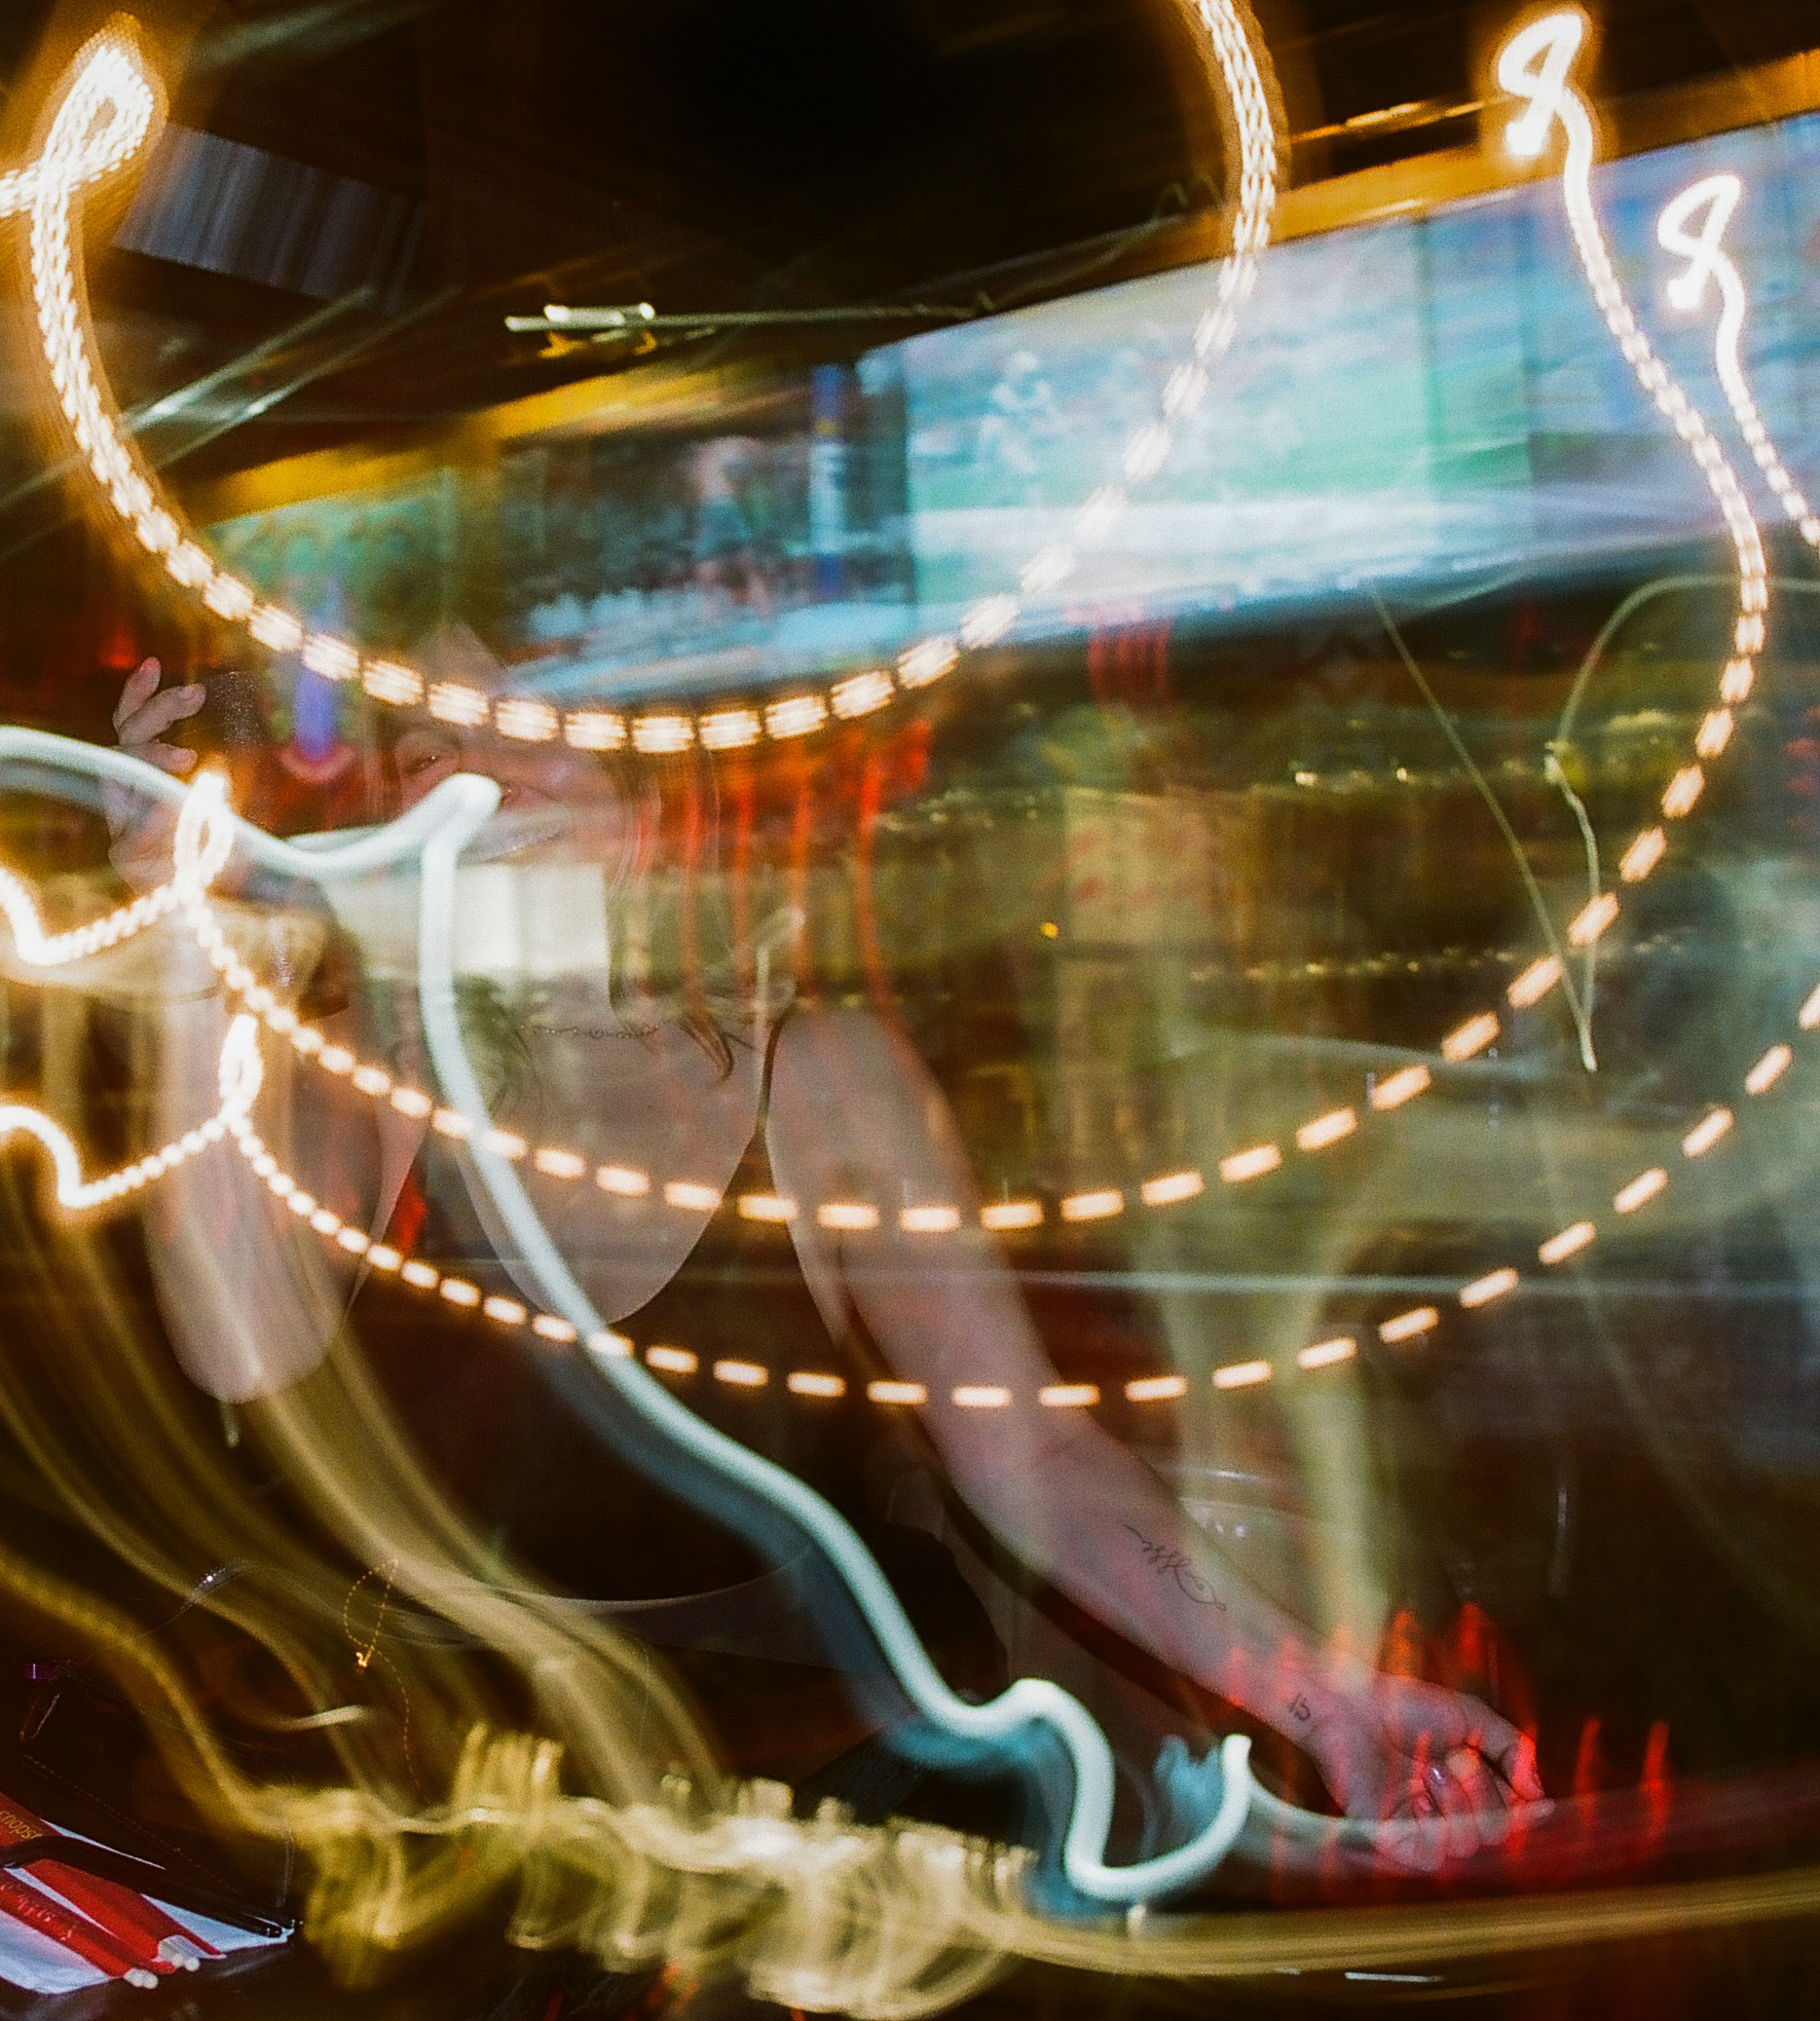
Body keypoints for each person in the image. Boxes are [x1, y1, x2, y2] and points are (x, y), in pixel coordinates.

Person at [105, 644, 1543, 1863]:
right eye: (422, 751)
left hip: (769, 1804)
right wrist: (183, 960)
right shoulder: (376, 1063)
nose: (466, 776)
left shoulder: (826, 1076)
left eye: (521, 731)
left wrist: (1322, 1701)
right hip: (454, 1784)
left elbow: (1029, 1456)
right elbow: (241, 1350)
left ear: (653, 780)